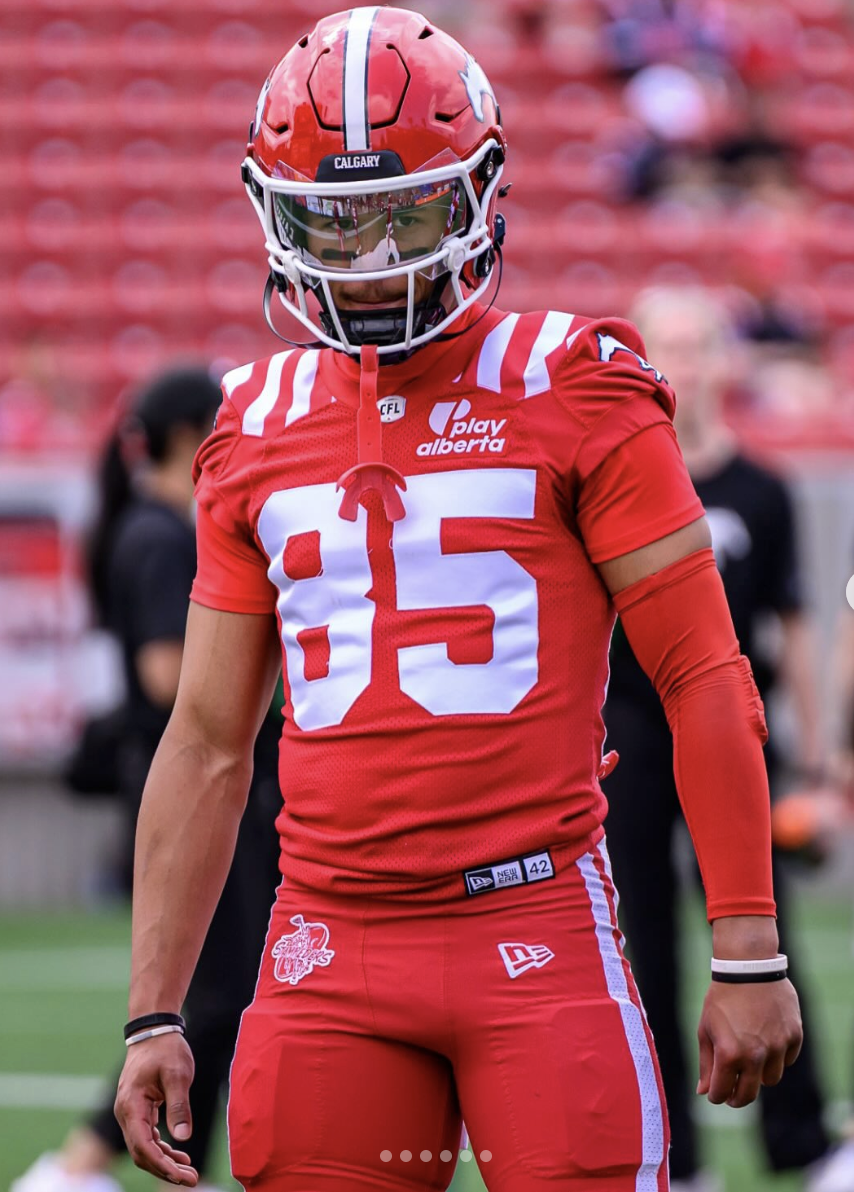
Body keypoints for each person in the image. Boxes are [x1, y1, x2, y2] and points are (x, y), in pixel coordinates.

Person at [114, 10, 802, 1191]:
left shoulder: (575, 380)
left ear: (478, 193)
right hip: (324, 942)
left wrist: (743, 943)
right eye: (333, 222)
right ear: (273, 215)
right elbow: (212, 738)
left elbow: (700, 671)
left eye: (406, 212)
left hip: (533, 918)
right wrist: (150, 1009)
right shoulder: (253, 421)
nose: (371, 257)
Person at [12, 369, 281, 1192]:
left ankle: (117, 1165)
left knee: (228, 994)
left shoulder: (145, 528)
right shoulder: (163, 537)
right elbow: (171, 679)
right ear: (191, 434)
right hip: (191, 784)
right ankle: (81, 1161)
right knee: (218, 994)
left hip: (176, 777)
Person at [601, 287, 831, 1192]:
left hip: (735, 733)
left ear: (724, 363)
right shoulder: (611, 476)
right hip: (625, 737)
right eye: (670, 348)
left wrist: (820, 752)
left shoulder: (760, 489)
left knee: (764, 935)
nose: (685, 368)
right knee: (638, 944)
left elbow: (794, 622)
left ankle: (806, 1142)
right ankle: (672, 1156)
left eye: (700, 349)